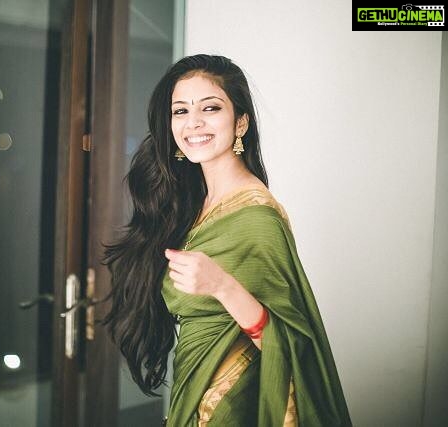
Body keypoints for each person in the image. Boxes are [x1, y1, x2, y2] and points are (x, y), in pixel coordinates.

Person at [103, 54, 351, 426]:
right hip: (191, 390)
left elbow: (295, 346)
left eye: (210, 108)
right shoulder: (192, 203)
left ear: (241, 122)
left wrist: (222, 286)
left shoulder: (257, 218)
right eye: (180, 111)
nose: (193, 122)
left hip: (230, 405)